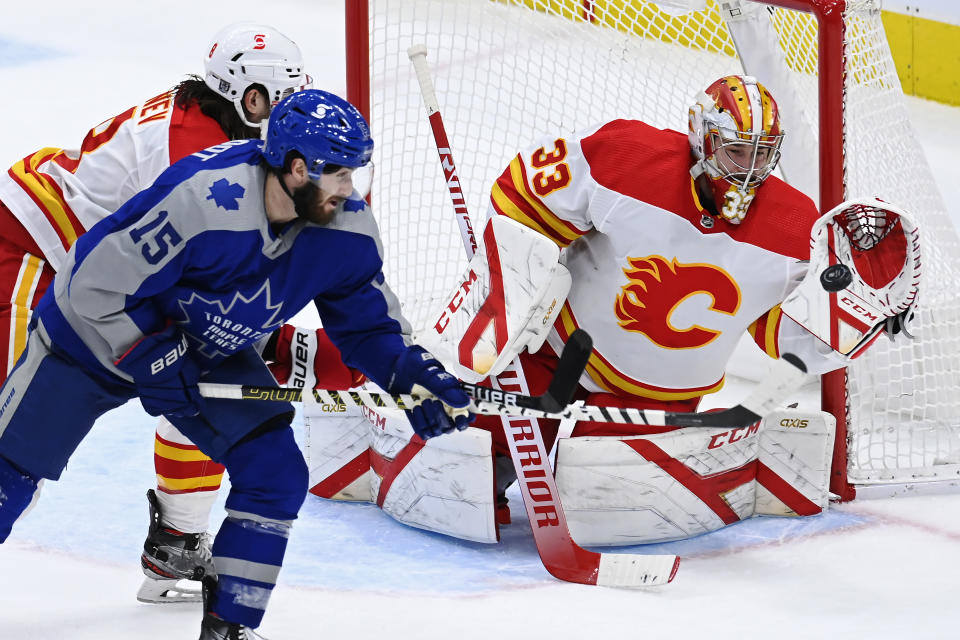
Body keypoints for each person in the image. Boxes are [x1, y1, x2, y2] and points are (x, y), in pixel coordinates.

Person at [333, 75, 917, 545]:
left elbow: (781, 336)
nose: (750, 169)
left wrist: (851, 317)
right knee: (458, 455)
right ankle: (354, 405)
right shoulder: (625, 158)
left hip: (653, 396)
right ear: (703, 138)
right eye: (738, 150)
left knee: (604, 498)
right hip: (554, 352)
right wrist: (509, 306)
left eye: (764, 154)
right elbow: (520, 196)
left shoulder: (793, 226)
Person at [0, 88, 472, 639]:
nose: (352, 191)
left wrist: (411, 376)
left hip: (202, 349)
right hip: (92, 337)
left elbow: (367, 330)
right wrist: (149, 356)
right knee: (10, 468)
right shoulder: (204, 199)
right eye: (340, 174)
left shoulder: (347, 232)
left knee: (276, 476)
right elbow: (92, 286)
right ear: (297, 169)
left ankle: (230, 629)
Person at [0, 22, 365, 603]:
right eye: (284, 100)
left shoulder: (233, 139)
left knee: (202, 383)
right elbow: (216, 297)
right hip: (33, 249)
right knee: (12, 440)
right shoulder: (200, 159)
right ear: (250, 100)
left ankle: (179, 539)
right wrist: (295, 352)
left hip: (106, 278)